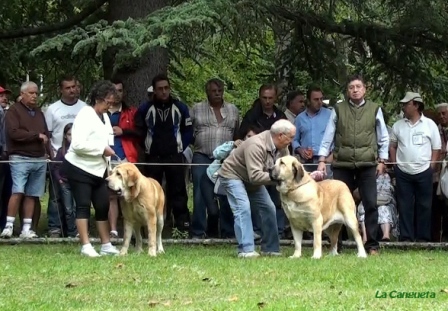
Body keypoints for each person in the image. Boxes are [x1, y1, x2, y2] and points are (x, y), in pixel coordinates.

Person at [317, 74, 389, 256]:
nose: (355, 90)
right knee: (336, 205)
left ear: (365, 89)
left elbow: (383, 137)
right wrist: (321, 160)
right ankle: (335, 245)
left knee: (371, 204)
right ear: (347, 91)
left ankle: (372, 245)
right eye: (351, 87)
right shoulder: (338, 109)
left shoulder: (374, 109)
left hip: (367, 164)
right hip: (342, 163)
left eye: (358, 86)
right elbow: (328, 135)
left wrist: (382, 160)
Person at [218, 119, 295, 258]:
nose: (292, 140)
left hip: (250, 179)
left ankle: (271, 249)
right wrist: (280, 178)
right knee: (243, 207)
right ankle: (246, 250)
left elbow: (288, 168)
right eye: (291, 137)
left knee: (269, 207)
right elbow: (255, 176)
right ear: (280, 136)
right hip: (233, 174)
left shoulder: (283, 147)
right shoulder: (256, 145)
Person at [61, 80, 119, 257]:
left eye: (112, 103)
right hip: (79, 167)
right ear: (98, 98)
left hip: (99, 170)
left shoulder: (106, 118)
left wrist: (109, 168)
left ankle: (106, 244)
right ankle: (85, 245)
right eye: (108, 102)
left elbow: (108, 145)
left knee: (102, 205)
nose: (110, 106)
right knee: (83, 205)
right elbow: (77, 144)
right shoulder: (85, 114)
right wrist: (101, 149)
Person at [51, 123, 77, 238]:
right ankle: (71, 232)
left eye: (74, 134)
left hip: (77, 183)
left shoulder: (80, 151)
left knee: (78, 208)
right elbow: (55, 167)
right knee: (68, 208)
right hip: (65, 183)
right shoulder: (62, 151)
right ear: (65, 136)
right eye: (69, 134)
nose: (72, 137)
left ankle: (77, 231)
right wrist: (60, 180)